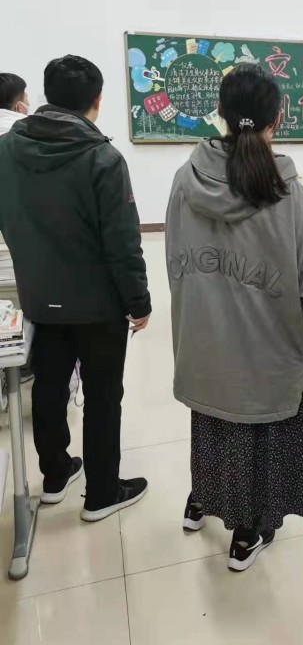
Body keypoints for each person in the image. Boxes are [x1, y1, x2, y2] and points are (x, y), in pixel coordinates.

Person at [166, 63, 303, 571]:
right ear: (276, 118)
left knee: (212, 424)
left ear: (219, 112)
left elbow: (175, 260)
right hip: (268, 349)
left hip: (206, 341)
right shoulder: (284, 188)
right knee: (261, 437)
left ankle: (201, 499)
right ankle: (247, 533)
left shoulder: (186, 179)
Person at [0, 55, 151, 522]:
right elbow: (122, 241)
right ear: (97, 100)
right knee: (103, 396)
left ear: (45, 95)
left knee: (49, 386)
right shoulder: (103, 157)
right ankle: (102, 492)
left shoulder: (7, 149)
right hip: (97, 303)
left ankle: (55, 475)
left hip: (38, 294)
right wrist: (138, 300)